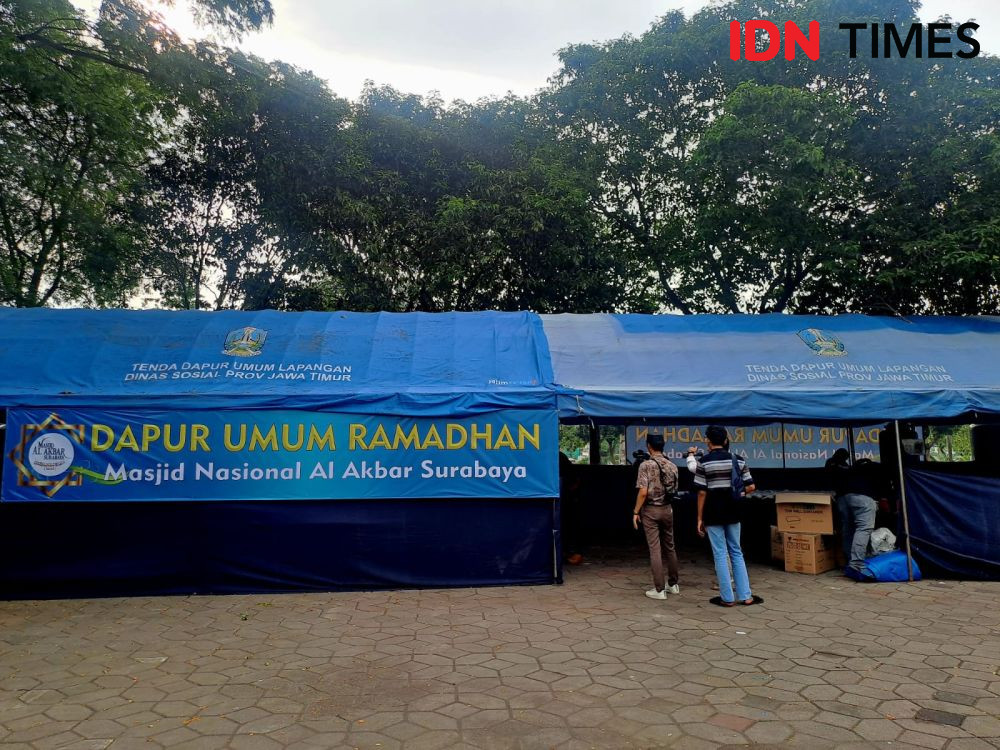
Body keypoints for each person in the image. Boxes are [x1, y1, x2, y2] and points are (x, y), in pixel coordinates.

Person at [694, 425, 763, 607]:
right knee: (736, 551)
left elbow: (701, 492)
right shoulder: (738, 460)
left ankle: (727, 597)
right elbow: (751, 486)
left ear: (708, 441)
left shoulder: (704, 462)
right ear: (725, 440)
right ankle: (746, 595)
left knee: (720, 553)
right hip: (734, 511)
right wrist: (738, 495)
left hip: (712, 512)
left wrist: (699, 518)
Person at [632, 434, 681, 600]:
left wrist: (636, 511)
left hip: (651, 510)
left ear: (648, 446)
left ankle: (659, 589)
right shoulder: (673, 466)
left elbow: (643, 492)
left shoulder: (646, 465)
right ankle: (673, 584)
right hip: (668, 509)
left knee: (655, 548)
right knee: (670, 546)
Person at [838, 458, 881, 573]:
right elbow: (882, 485)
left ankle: (849, 561)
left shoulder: (852, 469)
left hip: (843, 498)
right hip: (863, 497)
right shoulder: (875, 468)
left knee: (848, 530)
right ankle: (857, 563)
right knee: (863, 528)